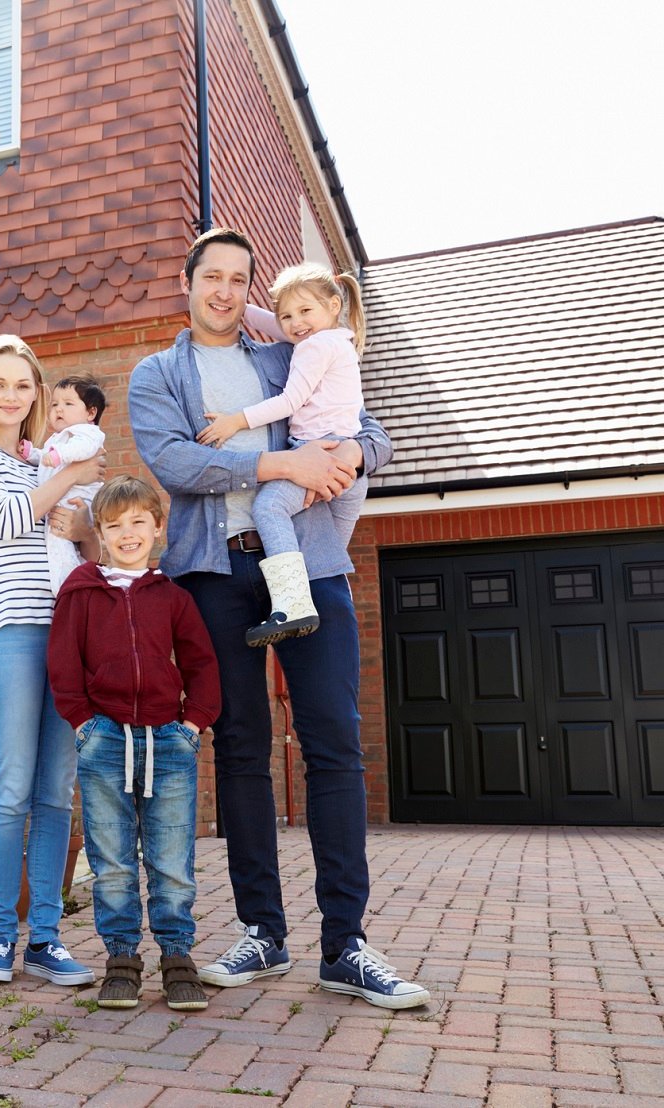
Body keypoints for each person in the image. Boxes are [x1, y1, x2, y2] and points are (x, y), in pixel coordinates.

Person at [127, 228, 430, 1009]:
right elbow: (178, 465)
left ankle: (347, 945)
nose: (224, 291)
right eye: (211, 277)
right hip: (217, 573)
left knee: (333, 740)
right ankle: (263, 931)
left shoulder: (285, 351)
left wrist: (355, 457)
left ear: (250, 291)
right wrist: (282, 463)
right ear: (185, 280)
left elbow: (371, 429)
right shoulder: (157, 374)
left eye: (238, 279)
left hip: (310, 561)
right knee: (241, 747)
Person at [0, 334, 105, 987]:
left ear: (38, 393)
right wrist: (72, 477)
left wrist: (80, 506)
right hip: (6, 634)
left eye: (24, 384)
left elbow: (85, 544)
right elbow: (11, 520)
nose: (12, 395)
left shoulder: (42, 458)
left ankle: (47, 938)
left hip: (65, 633)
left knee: (55, 794)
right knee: (10, 791)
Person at [47, 475, 222, 1011]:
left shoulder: (172, 597)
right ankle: (121, 958)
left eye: (138, 523)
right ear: (98, 531)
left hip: (169, 743)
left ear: (157, 527)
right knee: (113, 860)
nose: (128, 534)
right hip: (103, 740)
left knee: (171, 859)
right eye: (115, 525)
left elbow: (201, 663)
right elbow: (63, 663)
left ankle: (177, 957)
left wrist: (194, 724)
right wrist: (82, 722)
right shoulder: (80, 591)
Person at [196, 265, 369, 647]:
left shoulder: (314, 347)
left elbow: (291, 400)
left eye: (305, 312)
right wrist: (241, 308)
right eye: (287, 315)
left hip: (320, 455)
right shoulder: (336, 338)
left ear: (333, 305)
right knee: (327, 564)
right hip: (350, 469)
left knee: (269, 509)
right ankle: (324, 604)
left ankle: (291, 605)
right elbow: (278, 327)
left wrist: (234, 422)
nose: (295, 323)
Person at [22, 374, 107, 594]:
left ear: (91, 413)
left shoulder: (88, 433)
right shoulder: (57, 439)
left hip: (74, 500)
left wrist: (60, 455)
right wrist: (33, 454)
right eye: (55, 404)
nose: (59, 410)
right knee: (58, 544)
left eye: (68, 404)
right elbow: (46, 460)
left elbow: (83, 450)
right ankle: (69, 585)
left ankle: (68, 588)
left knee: (59, 542)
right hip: (61, 500)